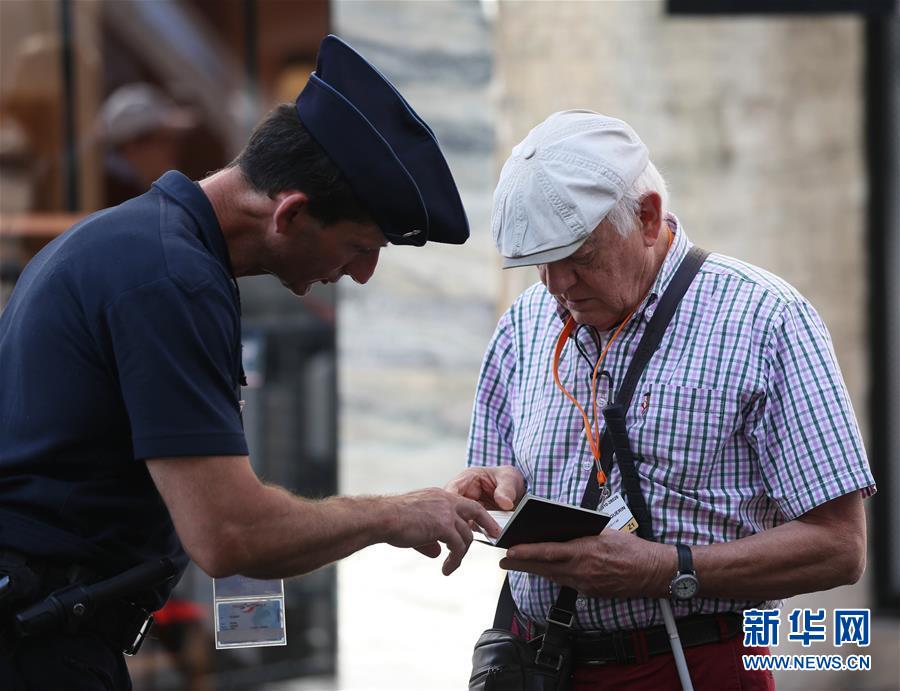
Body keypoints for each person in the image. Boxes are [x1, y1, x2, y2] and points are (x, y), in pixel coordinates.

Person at [0, 35, 498, 690]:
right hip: (37, 648)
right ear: (290, 213)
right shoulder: (171, 278)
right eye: (358, 247)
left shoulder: (137, 245)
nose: (362, 275)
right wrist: (396, 514)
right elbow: (231, 534)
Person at [447, 110, 875, 691]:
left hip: (695, 664)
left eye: (579, 256)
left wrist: (669, 570)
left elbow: (840, 548)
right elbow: (503, 477)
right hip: (541, 663)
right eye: (539, 262)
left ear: (647, 217)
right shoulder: (525, 322)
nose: (557, 285)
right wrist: (499, 486)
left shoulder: (766, 319)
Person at [97, 82, 197, 206]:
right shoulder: (116, 197)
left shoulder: (137, 189)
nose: (175, 149)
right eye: (164, 140)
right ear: (132, 146)